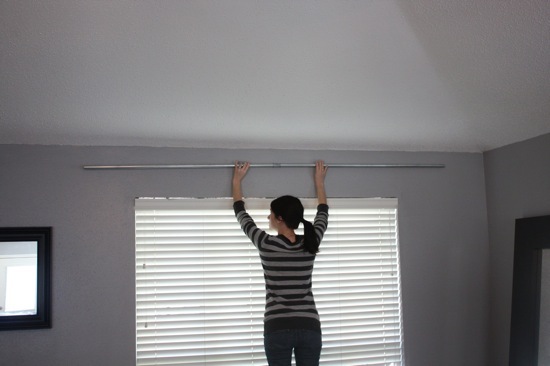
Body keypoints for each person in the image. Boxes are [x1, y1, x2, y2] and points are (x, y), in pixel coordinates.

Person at [232, 160, 329, 366]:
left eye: (270, 213)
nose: (268, 217)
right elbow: (323, 214)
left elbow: (241, 214)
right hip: (309, 325)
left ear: (280, 218)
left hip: (277, 327)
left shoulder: (266, 243)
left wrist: (236, 180)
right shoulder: (310, 242)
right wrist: (319, 182)